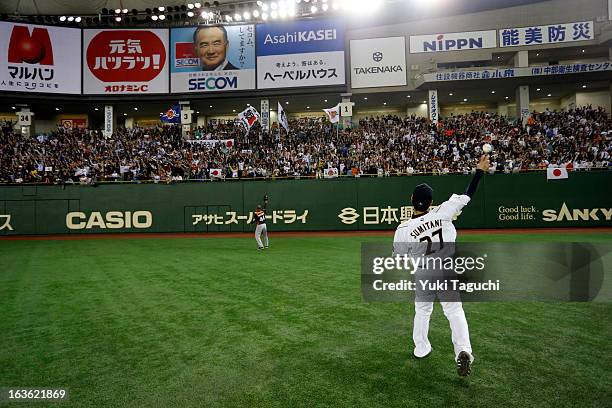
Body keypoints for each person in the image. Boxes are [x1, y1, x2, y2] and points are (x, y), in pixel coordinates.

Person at [393, 154, 490, 377]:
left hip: (424, 273)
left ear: (411, 199)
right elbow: (468, 195)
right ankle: (464, 350)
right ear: (430, 202)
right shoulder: (444, 211)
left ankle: (421, 348)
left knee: (422, 311)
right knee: (454, 311)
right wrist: (479, 171)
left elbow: (399, 255)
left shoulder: (404, 228)